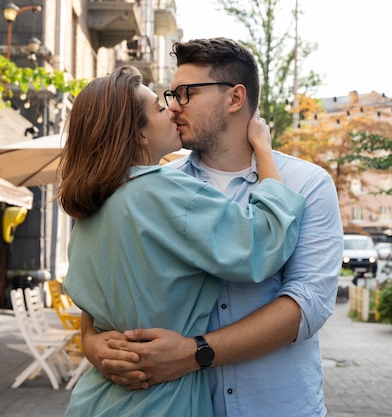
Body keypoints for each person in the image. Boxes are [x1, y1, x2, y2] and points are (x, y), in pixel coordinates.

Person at [82, 38, 343, 417]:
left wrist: (195, 353)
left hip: (275, 407)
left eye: (186, 94)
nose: (172, 106)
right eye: (171, 95)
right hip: (179, 406)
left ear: (235, 98)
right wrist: (91, 343)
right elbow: (108, 285)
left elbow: (306, 304)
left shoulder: (308, 183)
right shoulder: (155, 186)